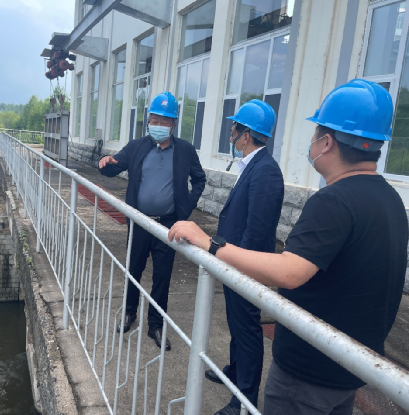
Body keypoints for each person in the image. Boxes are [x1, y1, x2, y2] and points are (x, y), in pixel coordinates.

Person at [168, 79, 408, 415]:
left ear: (327, 142)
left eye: (315, 134)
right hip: (349, 368)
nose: (311, 143)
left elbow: (290, 271)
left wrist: (211, 245)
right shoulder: (390, 199)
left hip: (309, 371)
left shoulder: (333, 201)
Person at [98, 91, 206, 351]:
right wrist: (106, 163)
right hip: (139, 222)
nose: (158, 125)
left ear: (173, 124)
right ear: (149, 121)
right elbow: (114, 166)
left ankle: (155, 324)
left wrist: (185, 209)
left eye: (164, 121)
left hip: (167, 225)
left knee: (162, 276)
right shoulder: (137, 146)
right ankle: (129, 312)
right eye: (154, 120)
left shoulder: (185, 151)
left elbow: (199, 180)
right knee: (133, 270)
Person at [206, 100, 284, 415]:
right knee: (236, 325)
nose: (231, 136)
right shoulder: (252, 165)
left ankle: (243, 400)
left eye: (234, 130)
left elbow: (257, 232)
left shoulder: (266, 171)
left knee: (248, 331)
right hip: (235, 264)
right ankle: (234, 373)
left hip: (245, 267)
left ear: (246, 134)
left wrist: (241, 269)